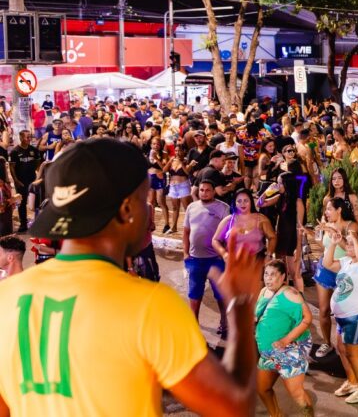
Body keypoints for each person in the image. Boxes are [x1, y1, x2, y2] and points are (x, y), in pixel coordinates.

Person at [0, 136, 262, 415]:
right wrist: (240, 308)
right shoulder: (150, 305)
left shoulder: (7, 295)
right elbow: (233, 406)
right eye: (143, 198)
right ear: (127, 210)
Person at [325, 224, 358, 404]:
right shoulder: (346, 261)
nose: (348, 245)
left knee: (353, 355)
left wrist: (353, 236)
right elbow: (327, 264)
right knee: (342, 349)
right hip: (343, 318)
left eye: (352, 243)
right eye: (347, 243)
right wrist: (333, 243)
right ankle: (352, 382)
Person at [255, 258, 314, 417]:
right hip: (268, 352)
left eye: (273, 275)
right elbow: (259, 314)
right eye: (266, 274)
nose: (268, 278)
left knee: (297, 394)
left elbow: (307, 319)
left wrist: (285, 340)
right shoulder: (264, 291)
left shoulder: (290, 294)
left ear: (282, 277)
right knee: (262, 388)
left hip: (288, 351)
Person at [183, 178, 231, 336]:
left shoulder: (223, 208)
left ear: (214, 192)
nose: (204, 193)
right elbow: (186, 232)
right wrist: (185, 253)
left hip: (216, 260)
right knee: (194, 294)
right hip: (195, 260)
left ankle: (224, 323)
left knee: (221, 295)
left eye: (207, 190)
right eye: (201, 190)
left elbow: (228, 235)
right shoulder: (191, 207)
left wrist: (224, 255)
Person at [312, 196, 353, 357]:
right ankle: (327, 343)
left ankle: (354, 348)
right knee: (323, 310)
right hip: (325, 269)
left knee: (346, 312)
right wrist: (311, 232)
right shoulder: (327, 224)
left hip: (344, 271)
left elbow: (351, 248)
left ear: (339, 210)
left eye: (329, 209)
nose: (326, 212)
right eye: (326, 209)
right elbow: (324, 245)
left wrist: (334, 232)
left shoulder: (350, 225)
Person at [212, 189, 276, 258]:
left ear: (251, 202)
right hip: (233, 261)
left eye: (246, 200)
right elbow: (215, 240)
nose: (242, 204)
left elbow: (272, 237)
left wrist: (268, 255)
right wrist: (224, 254)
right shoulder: (228, 220)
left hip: (257, 260)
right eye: (239, 201)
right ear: (235, 203)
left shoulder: (261, 219)